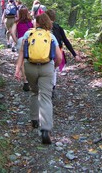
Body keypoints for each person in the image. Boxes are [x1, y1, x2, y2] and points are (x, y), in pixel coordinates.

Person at [15, 13, 62, 145]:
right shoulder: (51, 36)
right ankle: (45, 129)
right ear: (47, 23)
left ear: (37, 23)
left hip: (29, 67)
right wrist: (54, 67)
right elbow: (59, 57)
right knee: (46, 97)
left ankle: (35, 119)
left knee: (35, 92)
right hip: (47, 67)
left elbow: (21, 53)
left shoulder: (28, 35)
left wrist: (18, 68)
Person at [45, 9, 81, 97]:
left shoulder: (43, 28)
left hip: (47, 53)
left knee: (49, 70)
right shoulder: (58, 28)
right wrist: (74, 54)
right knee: (53, 71)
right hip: (57, 53)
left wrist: (75, 54)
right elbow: (66, 41)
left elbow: (65, 41)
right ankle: (51, 88)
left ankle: (48, 88)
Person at [11, 7, 33, 91]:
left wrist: (16, 41)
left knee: (22, 62)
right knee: (31, 60)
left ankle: (26, 82)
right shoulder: (31, 22)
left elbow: (12, 32)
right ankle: (32, 79)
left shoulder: (17, 22)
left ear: (19, 13)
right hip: (30, 41)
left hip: (21, 40)